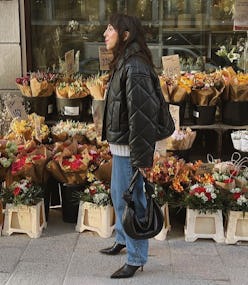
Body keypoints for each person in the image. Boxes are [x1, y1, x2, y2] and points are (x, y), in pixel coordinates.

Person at [100, 13, 175, 279]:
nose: (105, 34)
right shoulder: (126, 62)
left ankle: (136, 257)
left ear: (126, 35)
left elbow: (141, 118)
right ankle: (123, 239)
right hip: (123, 146)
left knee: (131, 201)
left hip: (131, 149)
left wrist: (142, 160)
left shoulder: (134, 66)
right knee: (120, 195)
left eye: (111, 29)